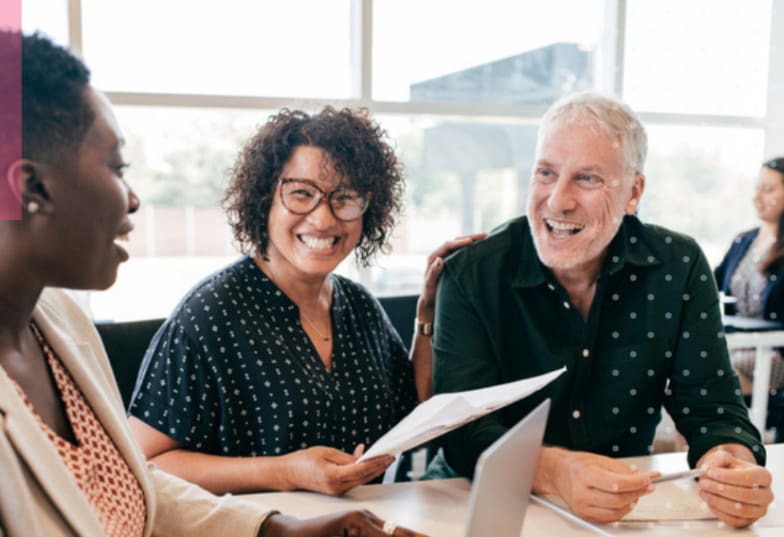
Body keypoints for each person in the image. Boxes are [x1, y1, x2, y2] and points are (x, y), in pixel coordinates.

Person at [0, 29, 425, 537]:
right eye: (114, 166)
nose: (132, 198)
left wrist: (277, 529)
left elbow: (135, 489)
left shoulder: (57, 321)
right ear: (33, 187)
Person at [429, 91, 773, 528]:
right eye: (545, 173)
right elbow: (463, 431)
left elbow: (713, 411)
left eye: (587, 179)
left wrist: (731, 465)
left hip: (620, 510)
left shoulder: (678, 266)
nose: (557, 200)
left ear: (633, 192)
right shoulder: (473, 273)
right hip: (476, 501)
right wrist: (556, 471)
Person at [128, 107, 482, 496]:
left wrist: (428, 313)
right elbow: (145, 463)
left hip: (358, 523)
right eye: (302, 194)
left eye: (345, 198)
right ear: (264, 200)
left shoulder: (358, 306)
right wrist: (284, 472)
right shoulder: (210, 315)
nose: (324, 219)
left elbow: (413, 408)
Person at [714, 157, 784, 395]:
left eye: (768, 190)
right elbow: (708, 284)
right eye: (757, 189)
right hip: (738, 344)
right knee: (686, 372)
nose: (757, 198)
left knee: (709, 381)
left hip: (774, 352)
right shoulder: (744, 241)